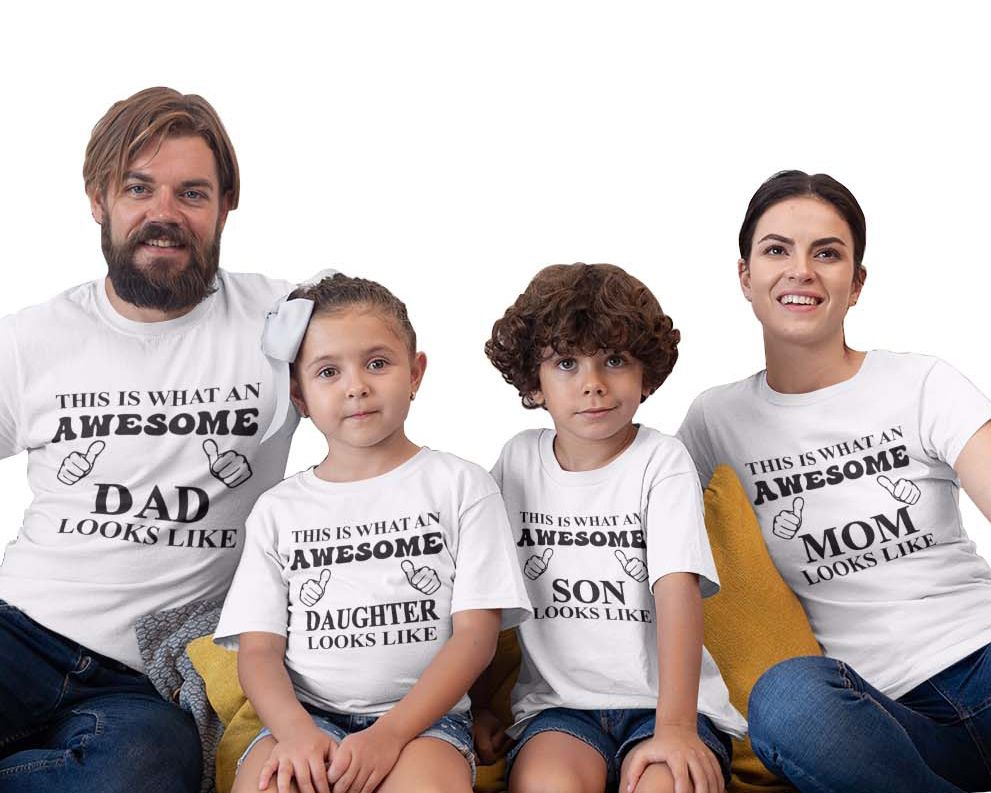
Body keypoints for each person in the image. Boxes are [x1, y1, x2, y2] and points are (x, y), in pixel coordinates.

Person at [0, 87, 298, 793]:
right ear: (98, 198)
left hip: (148, 681)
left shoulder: (284, 320)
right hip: (19, 634)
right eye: (138, 188)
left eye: (191, 192)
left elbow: (380, 359)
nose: (164, 214)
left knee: (147, 772)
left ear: (225, 205)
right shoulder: (32, 338)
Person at [677, 170, 991, 793]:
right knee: (785, 699)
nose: (802, 270)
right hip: (874, 716)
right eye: (777, 250)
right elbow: (642, 534)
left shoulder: (922, 382)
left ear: (857, 283)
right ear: (745, 277)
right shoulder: (715, 421)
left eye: (827, 253)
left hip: (981, 655)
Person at [214, 273, 531, 793]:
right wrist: (293, 732)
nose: (356, 386)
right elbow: (258, 652)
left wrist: (390, 735)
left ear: (415, 373)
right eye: (328, 372)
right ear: (299, 394)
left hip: (421, 725)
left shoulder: (459, 485)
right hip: (306, 717)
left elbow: (476, 638)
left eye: (377, 363)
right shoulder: (278, 510)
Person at [477, 263, 745, 793]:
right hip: (560, 709)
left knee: (664, 785)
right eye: (567, 363)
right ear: (534, 383)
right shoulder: (517, 462)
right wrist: (477, 707)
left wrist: (674, 728)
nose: (593, 385)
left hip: (665, 707)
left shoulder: (660, 461)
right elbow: (479, 590)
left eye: (615, 361)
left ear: (645, 374)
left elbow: (677, 592)